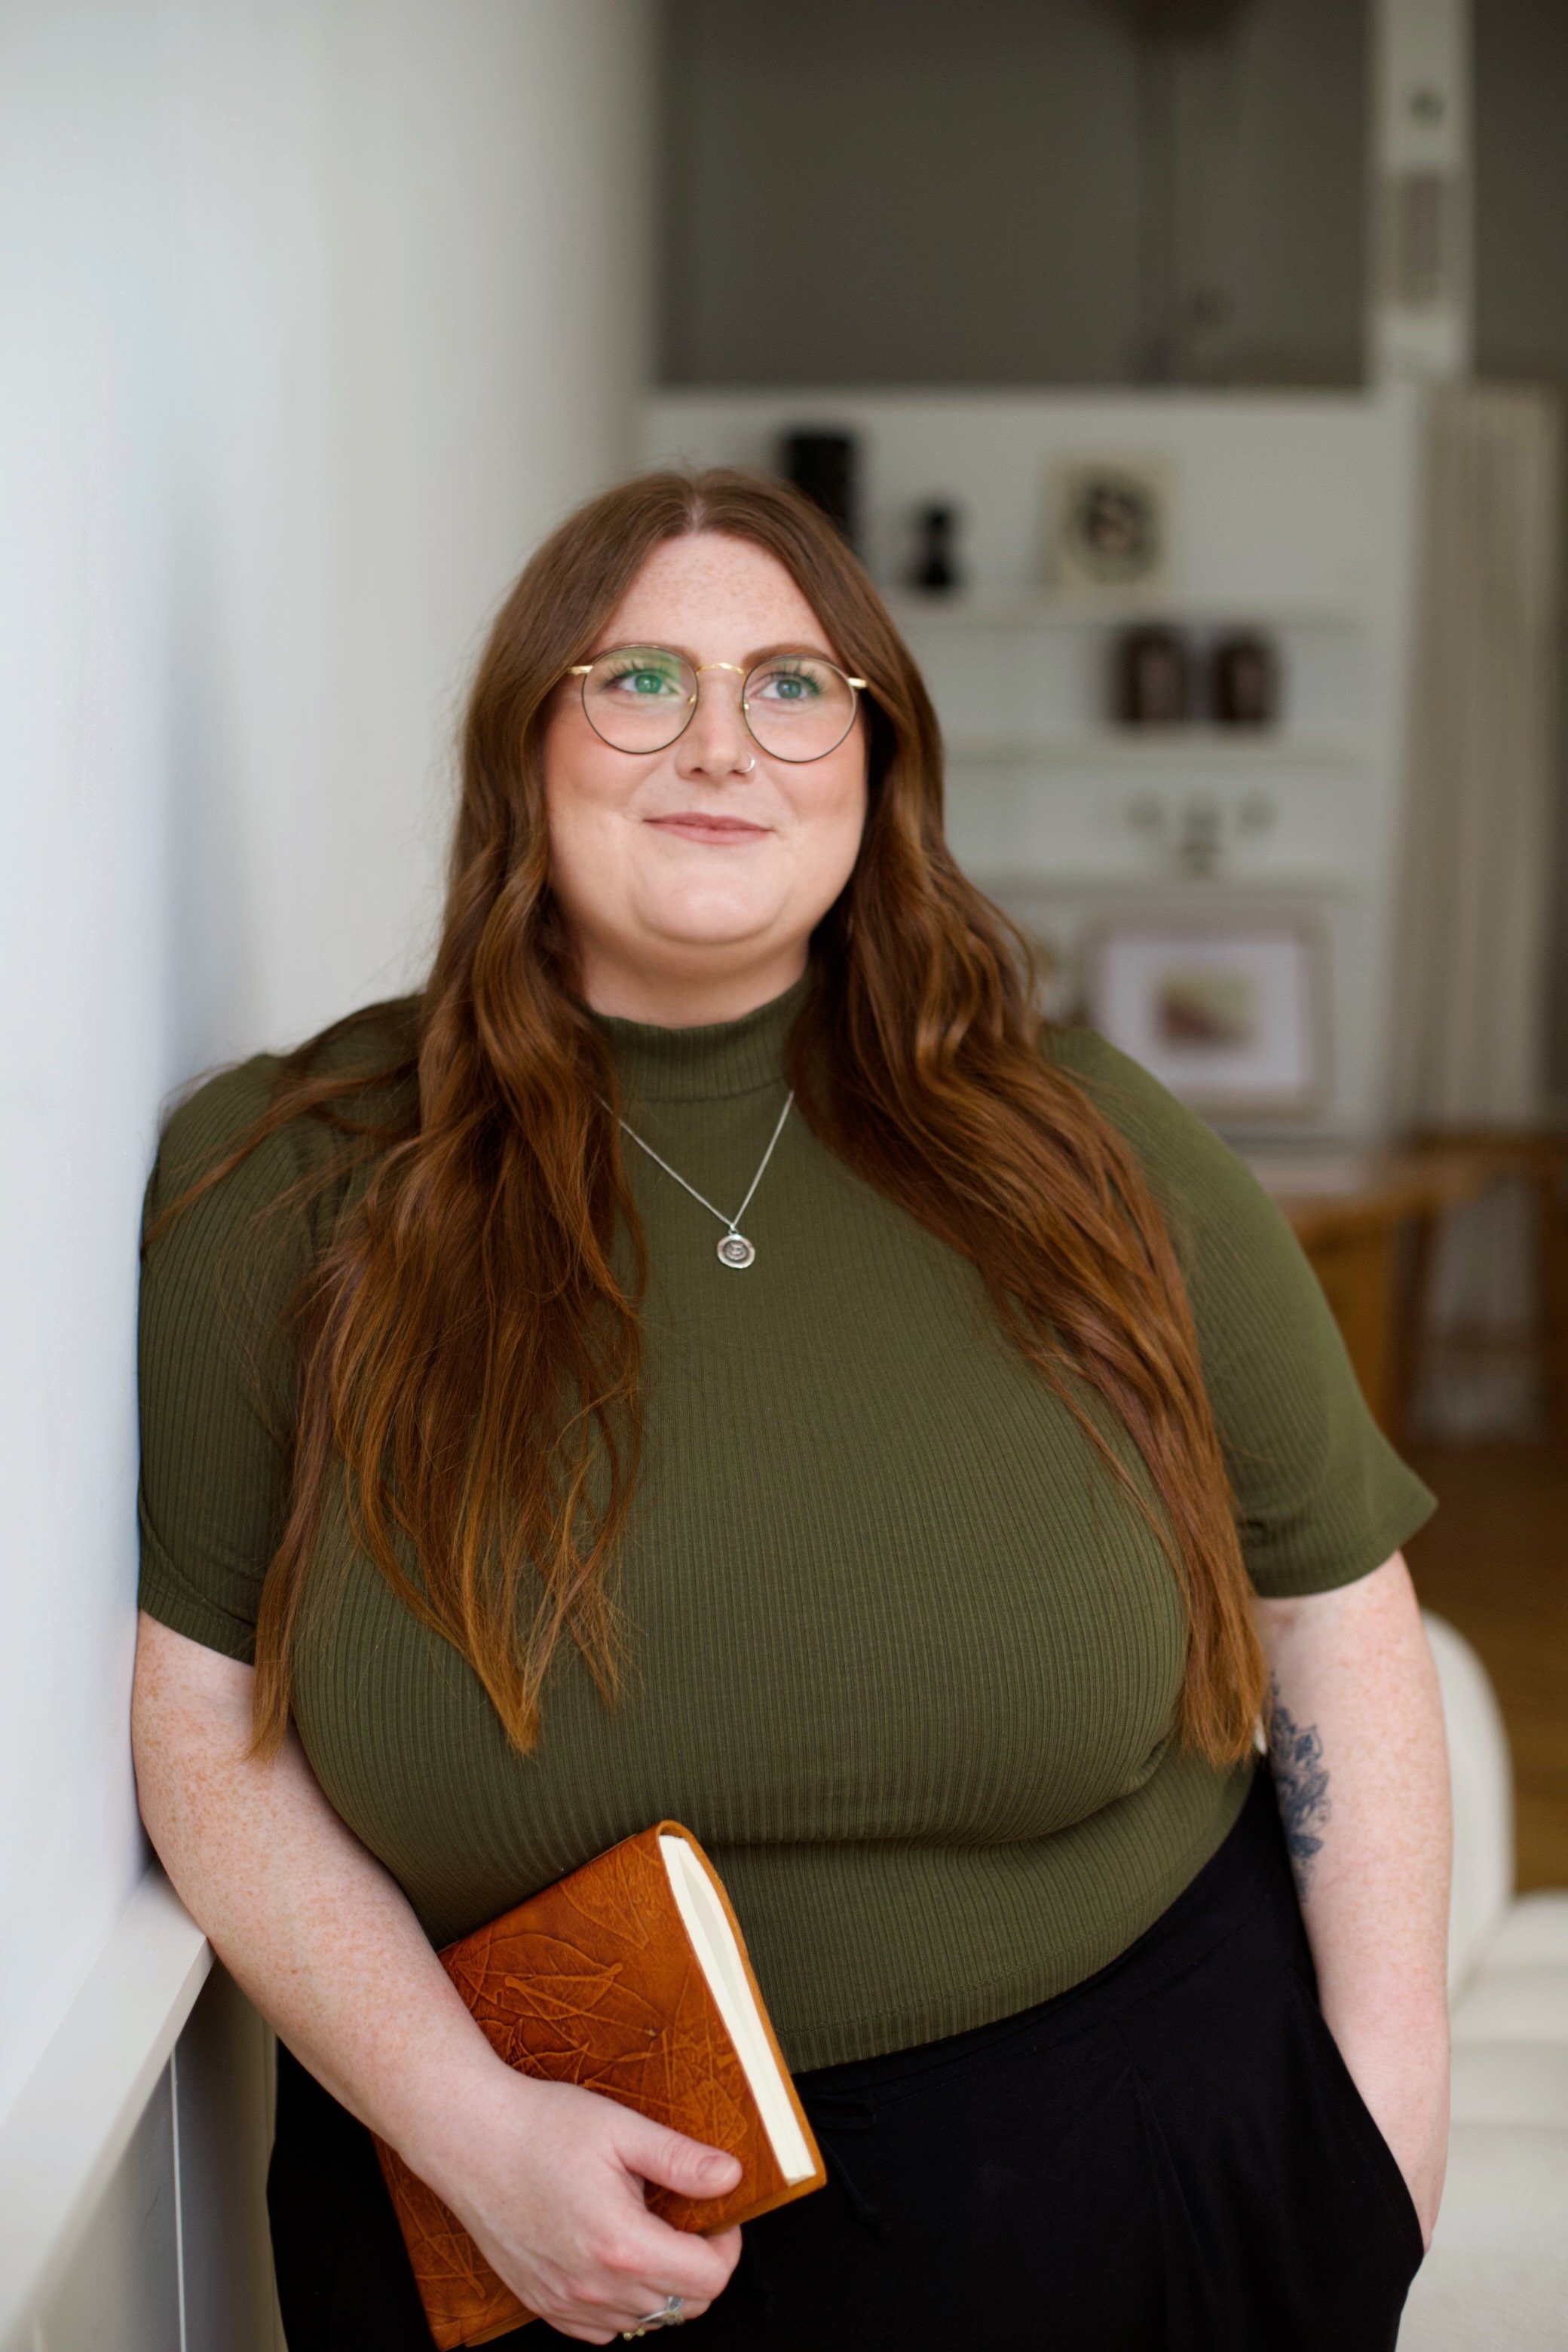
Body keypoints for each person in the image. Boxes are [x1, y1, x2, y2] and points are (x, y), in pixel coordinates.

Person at [132, 469, 1450, 2351]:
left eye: (791, 688)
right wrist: (464, 2125)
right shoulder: (290, 1182)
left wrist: (1378, 2138)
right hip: (540, 2223)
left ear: (871, 760)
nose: (720, 745)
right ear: (525, 744)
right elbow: (198, 1724)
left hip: (1139, 2169)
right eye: (640, 681)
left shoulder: (1088, 1145)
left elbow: (1334, 1602)